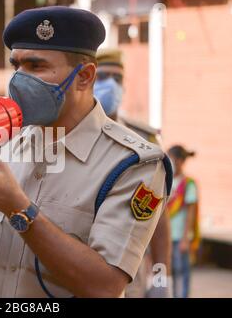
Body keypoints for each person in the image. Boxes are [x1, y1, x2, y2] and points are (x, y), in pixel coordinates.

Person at [0, 6, 172, 298]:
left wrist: (17, 208)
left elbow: (103, 286)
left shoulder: (132, 164)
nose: (19, 80)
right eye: (17, 66)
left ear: (84, 77)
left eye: (36, 66)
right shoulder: (3, 146)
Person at [94, 48, 172, 298]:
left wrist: (160, 280)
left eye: (117, 80)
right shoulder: (65, 134)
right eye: (103, 77)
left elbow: (159, 220)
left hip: (129, 281)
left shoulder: (144, 142)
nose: (111, 86)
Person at [166, 145, 199, 298]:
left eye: (170, 158)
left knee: (182, 272)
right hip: (166, 236)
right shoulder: (167, 181)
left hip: (180, 236)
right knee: (169, 271)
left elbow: (191, 213)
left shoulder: (188, 184)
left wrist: (186, 238)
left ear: (178, 161)